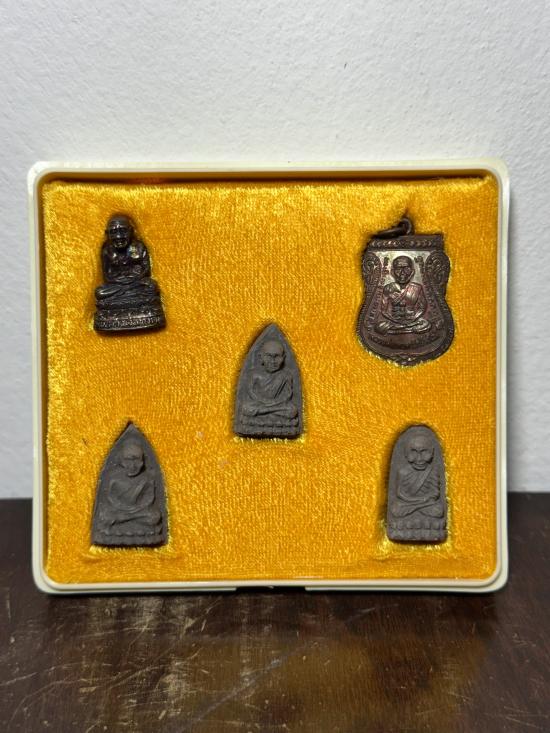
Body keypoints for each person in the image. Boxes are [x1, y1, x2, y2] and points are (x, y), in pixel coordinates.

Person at [375, 256, 430, 335]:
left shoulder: (417, 288)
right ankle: (407, 329)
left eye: (406, 269)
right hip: (394, 321)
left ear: (412, 272)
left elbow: (422, 307)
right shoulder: (388, 288)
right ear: (392, 272)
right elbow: (383, 310)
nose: (402, 273)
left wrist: (414, 318)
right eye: (398, 269)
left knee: (426, 324)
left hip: (412, 320)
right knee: (379, 327)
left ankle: (399, 330)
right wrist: (394, 320)